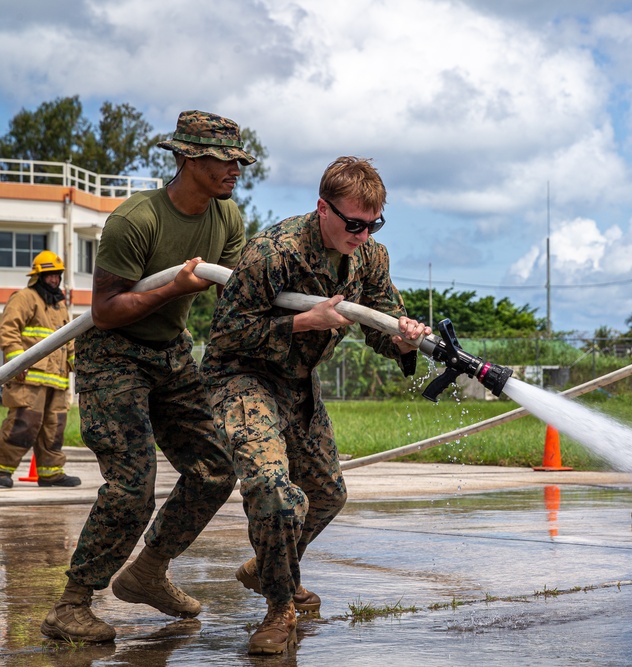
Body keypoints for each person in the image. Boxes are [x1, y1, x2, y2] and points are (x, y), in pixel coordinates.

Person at [41, 110, 254, 643]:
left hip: (169, 351)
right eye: (224, 159)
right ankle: (71, 604)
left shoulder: (227, 216)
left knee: (214, 469)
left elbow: (230, 287)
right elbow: (107, 310)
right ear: (186, 158)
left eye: (238, 160)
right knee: (133, 485)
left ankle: (147, 571)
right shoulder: (136, 220)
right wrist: (172, 290)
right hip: (113, 354)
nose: (236, 170)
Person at [201, 156, 429, 655]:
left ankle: (267, 568)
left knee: (326, 495)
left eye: (373, 224)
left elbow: (383, 325)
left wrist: (407, 337)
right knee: (275, 492)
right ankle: (279, 610)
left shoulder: (371, 257)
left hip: (299, 383)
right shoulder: (272, 253)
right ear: (323, 208)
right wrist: (305, 322)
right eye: (353, 224)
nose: (363, 234)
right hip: (244, 375)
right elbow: (224, 334)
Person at [0, 251, 79, 488]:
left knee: (54, 428)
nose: (54, 279)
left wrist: (78, 367)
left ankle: (50, 472)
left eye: (57, 275)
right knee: (23, 425)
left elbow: (70, 341)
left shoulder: (59, 306)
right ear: (38, 276)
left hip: (57, 381)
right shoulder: (24, 298)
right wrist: (16, 364)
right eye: (49, 275)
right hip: (28, 380)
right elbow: (8, 330)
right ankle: (1, 469)